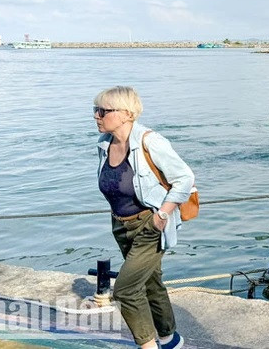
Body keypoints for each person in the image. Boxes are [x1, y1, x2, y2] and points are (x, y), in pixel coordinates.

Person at [94, 86, 190, 349]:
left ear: (126, 114)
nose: (96, 116)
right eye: (95, 110)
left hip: (149, 225)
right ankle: (170, 338)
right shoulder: (104, 144)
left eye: (102, 110)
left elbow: (185, 178)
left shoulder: (150, 141)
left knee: (125, 290)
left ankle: (148, 346)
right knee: (149, 281)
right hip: (121, 225)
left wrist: (162, 214)